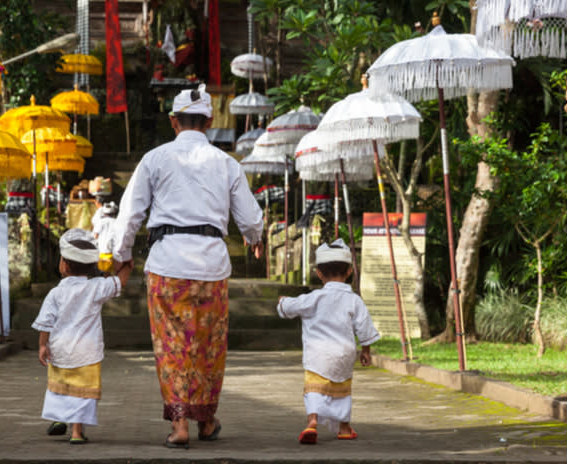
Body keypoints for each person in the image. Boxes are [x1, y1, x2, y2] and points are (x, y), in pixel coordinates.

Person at [112, 84, 264, 449]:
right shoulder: (227, 163)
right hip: (212, 265)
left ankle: (180, 424)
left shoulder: (155, 159)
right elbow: (250, 219)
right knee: (209, 345)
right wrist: (254, 237)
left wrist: (122, 253)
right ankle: (207, 421)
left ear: (172, 121)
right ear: (210, 121)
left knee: (173, 345)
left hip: (167, 264)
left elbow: (130, 211)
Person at [32, 229, 133, 444]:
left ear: (64, 266)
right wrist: (127, 266)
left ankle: (60, 417)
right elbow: (119, 283)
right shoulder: (96, 287)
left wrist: (42, 346)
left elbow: (45, 322)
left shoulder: (56, 293)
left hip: (60, 348)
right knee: (83, 391)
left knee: (61, 385)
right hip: (88, 351)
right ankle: (77, 432)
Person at [276, 239, 380, 444]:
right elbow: (364, 327)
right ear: (349, 271)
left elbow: (289, 307)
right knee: (342, 388)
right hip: (344, 353)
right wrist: (365, 351)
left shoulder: (313, 298)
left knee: (314, 387)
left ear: (319, 273)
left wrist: (282, 301)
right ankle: (344, 427)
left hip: (317, 354)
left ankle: (312, 422)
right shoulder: (354, 300)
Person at [92, 200, 119, 274]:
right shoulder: (116, 221)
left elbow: (96, 235)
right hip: (112, 250)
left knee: (103, 271)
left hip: (102, 250)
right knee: (110, 272)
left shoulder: (101, 221)